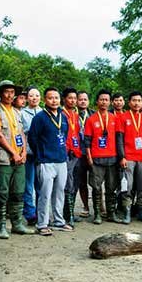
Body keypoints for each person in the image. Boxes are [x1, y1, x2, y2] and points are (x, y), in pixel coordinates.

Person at [0, 80, 35, 238]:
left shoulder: (17, 112)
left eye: (12, 92)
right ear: (0, 93)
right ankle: (1, 227)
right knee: (2, 193)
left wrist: (24, 152)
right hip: (4, 158)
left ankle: (17, 224)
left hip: (19, 158)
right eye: (6, 92)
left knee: (18, 192)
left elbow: (22, 133)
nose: (9, 95)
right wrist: (13, 153)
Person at [28, 87, 73, 235]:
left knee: (59, 193)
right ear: (45, 100)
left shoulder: (63, 117)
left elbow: (64, 135)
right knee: (45, 194)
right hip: (45, 161)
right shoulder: (39, 118)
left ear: (60, 99)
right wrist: (40, 155)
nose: (54, 101)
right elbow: (32, 138)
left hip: (61, 160)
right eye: (50, 98)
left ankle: (59, 221)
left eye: (56, 98)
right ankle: (42, 224)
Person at [84, 90, 121, 224]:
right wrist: (89, 157)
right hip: (96, 159)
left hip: (112, 158)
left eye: (106, 100)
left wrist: (120, 157)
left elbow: (119, 139)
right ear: (97, 101)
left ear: (110, 102)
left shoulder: (114, 118)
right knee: (96, 187)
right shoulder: (91, 119)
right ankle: (97, 214)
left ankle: (111, 213)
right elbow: (87, 140)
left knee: (111, 188)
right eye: (101, 99)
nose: (104, 102)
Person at [118, 91, 142, 223]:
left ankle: (141, 212)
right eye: (134, 100)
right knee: (128, 186)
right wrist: (122, 157)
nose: (137, 103)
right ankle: (126, 213)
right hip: (128, 157)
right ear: (129, 102)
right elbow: (119, 139)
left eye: (139, 101)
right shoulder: (123, 117)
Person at [19, 87, 42, 224]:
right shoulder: (22, 113)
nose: (34, 98)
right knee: (28, 185)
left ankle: (41, 212)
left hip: (41, 154)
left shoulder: (44, 112)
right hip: (28, 152)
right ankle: (29, 213)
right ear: (27, 98)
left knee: (41, 185)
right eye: (31, 95)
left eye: (37, 95)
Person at [60, 87, 82, 227]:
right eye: (70, 98)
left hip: (76, 153)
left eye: (75, 98)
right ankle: (67, 215)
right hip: (66, 153)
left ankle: (71, 212)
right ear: (64, 99)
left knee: (75, 183)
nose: (73, 101)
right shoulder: (61, 114)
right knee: (67, 184)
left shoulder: (75, 115)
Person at [75, 90, 94, 219]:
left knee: (96, 182)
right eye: (80, 99)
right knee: (82, 182)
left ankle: (100, 208)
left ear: (88, 101)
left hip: (92, 152)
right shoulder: (72, 114)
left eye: (85, 99)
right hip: (78, 153)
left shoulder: (93, 114)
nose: (83, 102)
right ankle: (86, 207)